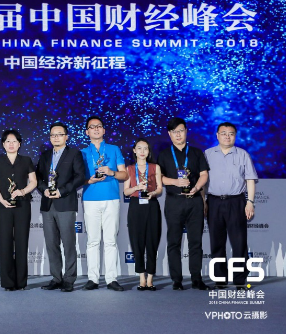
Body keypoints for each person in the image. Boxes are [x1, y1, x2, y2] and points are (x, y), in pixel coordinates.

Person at [157, 117, 210, 290]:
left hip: (194, 201)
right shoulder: (164, 154)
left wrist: (196, 188)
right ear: (169, 134)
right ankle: (177, 280)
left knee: (196, 241)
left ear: (186, 131)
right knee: (174, 242)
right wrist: (175, 181)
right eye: (174, 132)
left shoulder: (196, 152)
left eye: (181, 130)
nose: (178, 134)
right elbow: (160, 177)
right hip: (174, 201)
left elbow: (204, 174)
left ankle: (196, 279)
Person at [205, 122, 258, 289]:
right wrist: (203, 201)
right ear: (217, 135)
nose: (227, 136)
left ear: (235, 136)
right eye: (223, 133)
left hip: (236, 201)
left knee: (239, 242)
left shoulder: (243, 154)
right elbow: (202, 180)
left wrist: (250, 202)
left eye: (231, 133)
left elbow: (250, 180)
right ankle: (220, 279)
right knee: (216, 242)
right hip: (213, 201)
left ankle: (240, 280)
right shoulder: (207, 154)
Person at [36, 122, 87, 292]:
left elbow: (80, 177)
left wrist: (61, 191)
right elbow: (38, 178)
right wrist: (44, 189)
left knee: (68, 244)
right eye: (53, 135)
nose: (56, 137)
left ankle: (69, 279)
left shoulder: (74, 154)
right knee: (52, 244)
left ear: (66, 136)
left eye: (59, 134)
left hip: (65, 203)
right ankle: (56, 278)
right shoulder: (45, 156)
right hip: (47, 204)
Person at [80, 116, 128, 291]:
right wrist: (89, 180)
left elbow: (124, 175)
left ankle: (111, 279)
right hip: (90, 199)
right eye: (92, 127)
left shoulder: (114, 149)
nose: (96, 129)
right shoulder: (82, 153)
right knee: (93, 241)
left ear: (104, 130)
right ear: (87, 132)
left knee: (110, 241)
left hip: (111, 199)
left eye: (99, 126)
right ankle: (92, 279)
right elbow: (77, 179)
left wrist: (111, 172)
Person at [0, 129, 37, 291]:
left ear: (19, 144)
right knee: (5, 241)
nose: (11, 144)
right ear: (3, 144)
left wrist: (22, 192)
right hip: (4, 206)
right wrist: (1, 200)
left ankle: (21, 282)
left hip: (23, 205)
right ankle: (8, 282)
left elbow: (33, 182)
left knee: (22, 241)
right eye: (8, 141)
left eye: (14, 141)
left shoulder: (26, 160)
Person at [123, 138, 163, 291]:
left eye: (145, 148)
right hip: (135, 206)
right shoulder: (129, 169)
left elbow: (159, 188)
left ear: (148, 151)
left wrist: (152, 193)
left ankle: (150, 278)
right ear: (134, 150)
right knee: (137, 242)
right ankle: (141, 278)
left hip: (151, 205)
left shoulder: (155, 167)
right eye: (139, 148)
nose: (142, 151)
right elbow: (126, 192)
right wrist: (136, 188)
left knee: (152, 241)